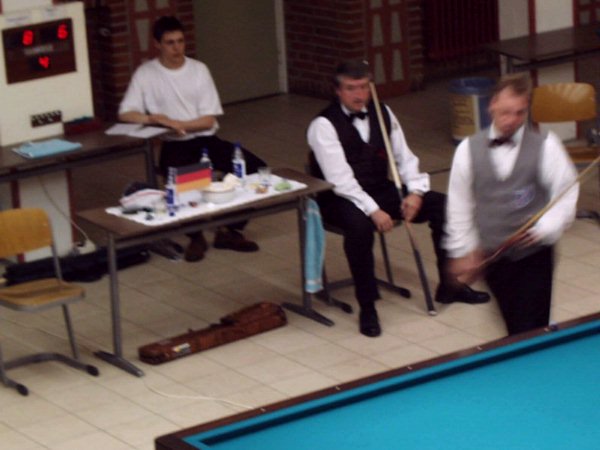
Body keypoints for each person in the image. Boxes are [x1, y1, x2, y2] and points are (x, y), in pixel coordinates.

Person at [307, 60, 490, 338]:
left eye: (364, 87)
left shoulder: (383, 113)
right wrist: (373, 210)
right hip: (338, 198)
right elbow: (340, 179)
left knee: (443, 206)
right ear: (337, 91)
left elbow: (405, 158)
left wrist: (415, 192)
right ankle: (368, 306)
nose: (359, 94)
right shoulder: (323, 125)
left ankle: (449, 286)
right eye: (351, 88)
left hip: (380, 187)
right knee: (359, 228)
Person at [118, 16, 266, 262]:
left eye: (180, 41)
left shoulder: (198, 70)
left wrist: (178, 124)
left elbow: (208, 120)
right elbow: (126, 113)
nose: (177, 48)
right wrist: (153, 118)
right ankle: (195, 237)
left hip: (205, 139)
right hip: (175, 144)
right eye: (170, 43)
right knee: (182, 186)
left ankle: (229, 229)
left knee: (254, 169)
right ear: (157, 44)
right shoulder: (146, 73)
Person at [444, 73, 578, 336]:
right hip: (493, 257)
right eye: (506, 112)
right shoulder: (467, 150)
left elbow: (566, 193)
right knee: (513, 323)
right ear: (492, 104)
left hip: (534, 255)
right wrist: (464, 250)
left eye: (520, 113)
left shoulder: (546, 146)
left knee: (529, 326)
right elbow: (460, 206)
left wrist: (545, 227)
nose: (512, 120)